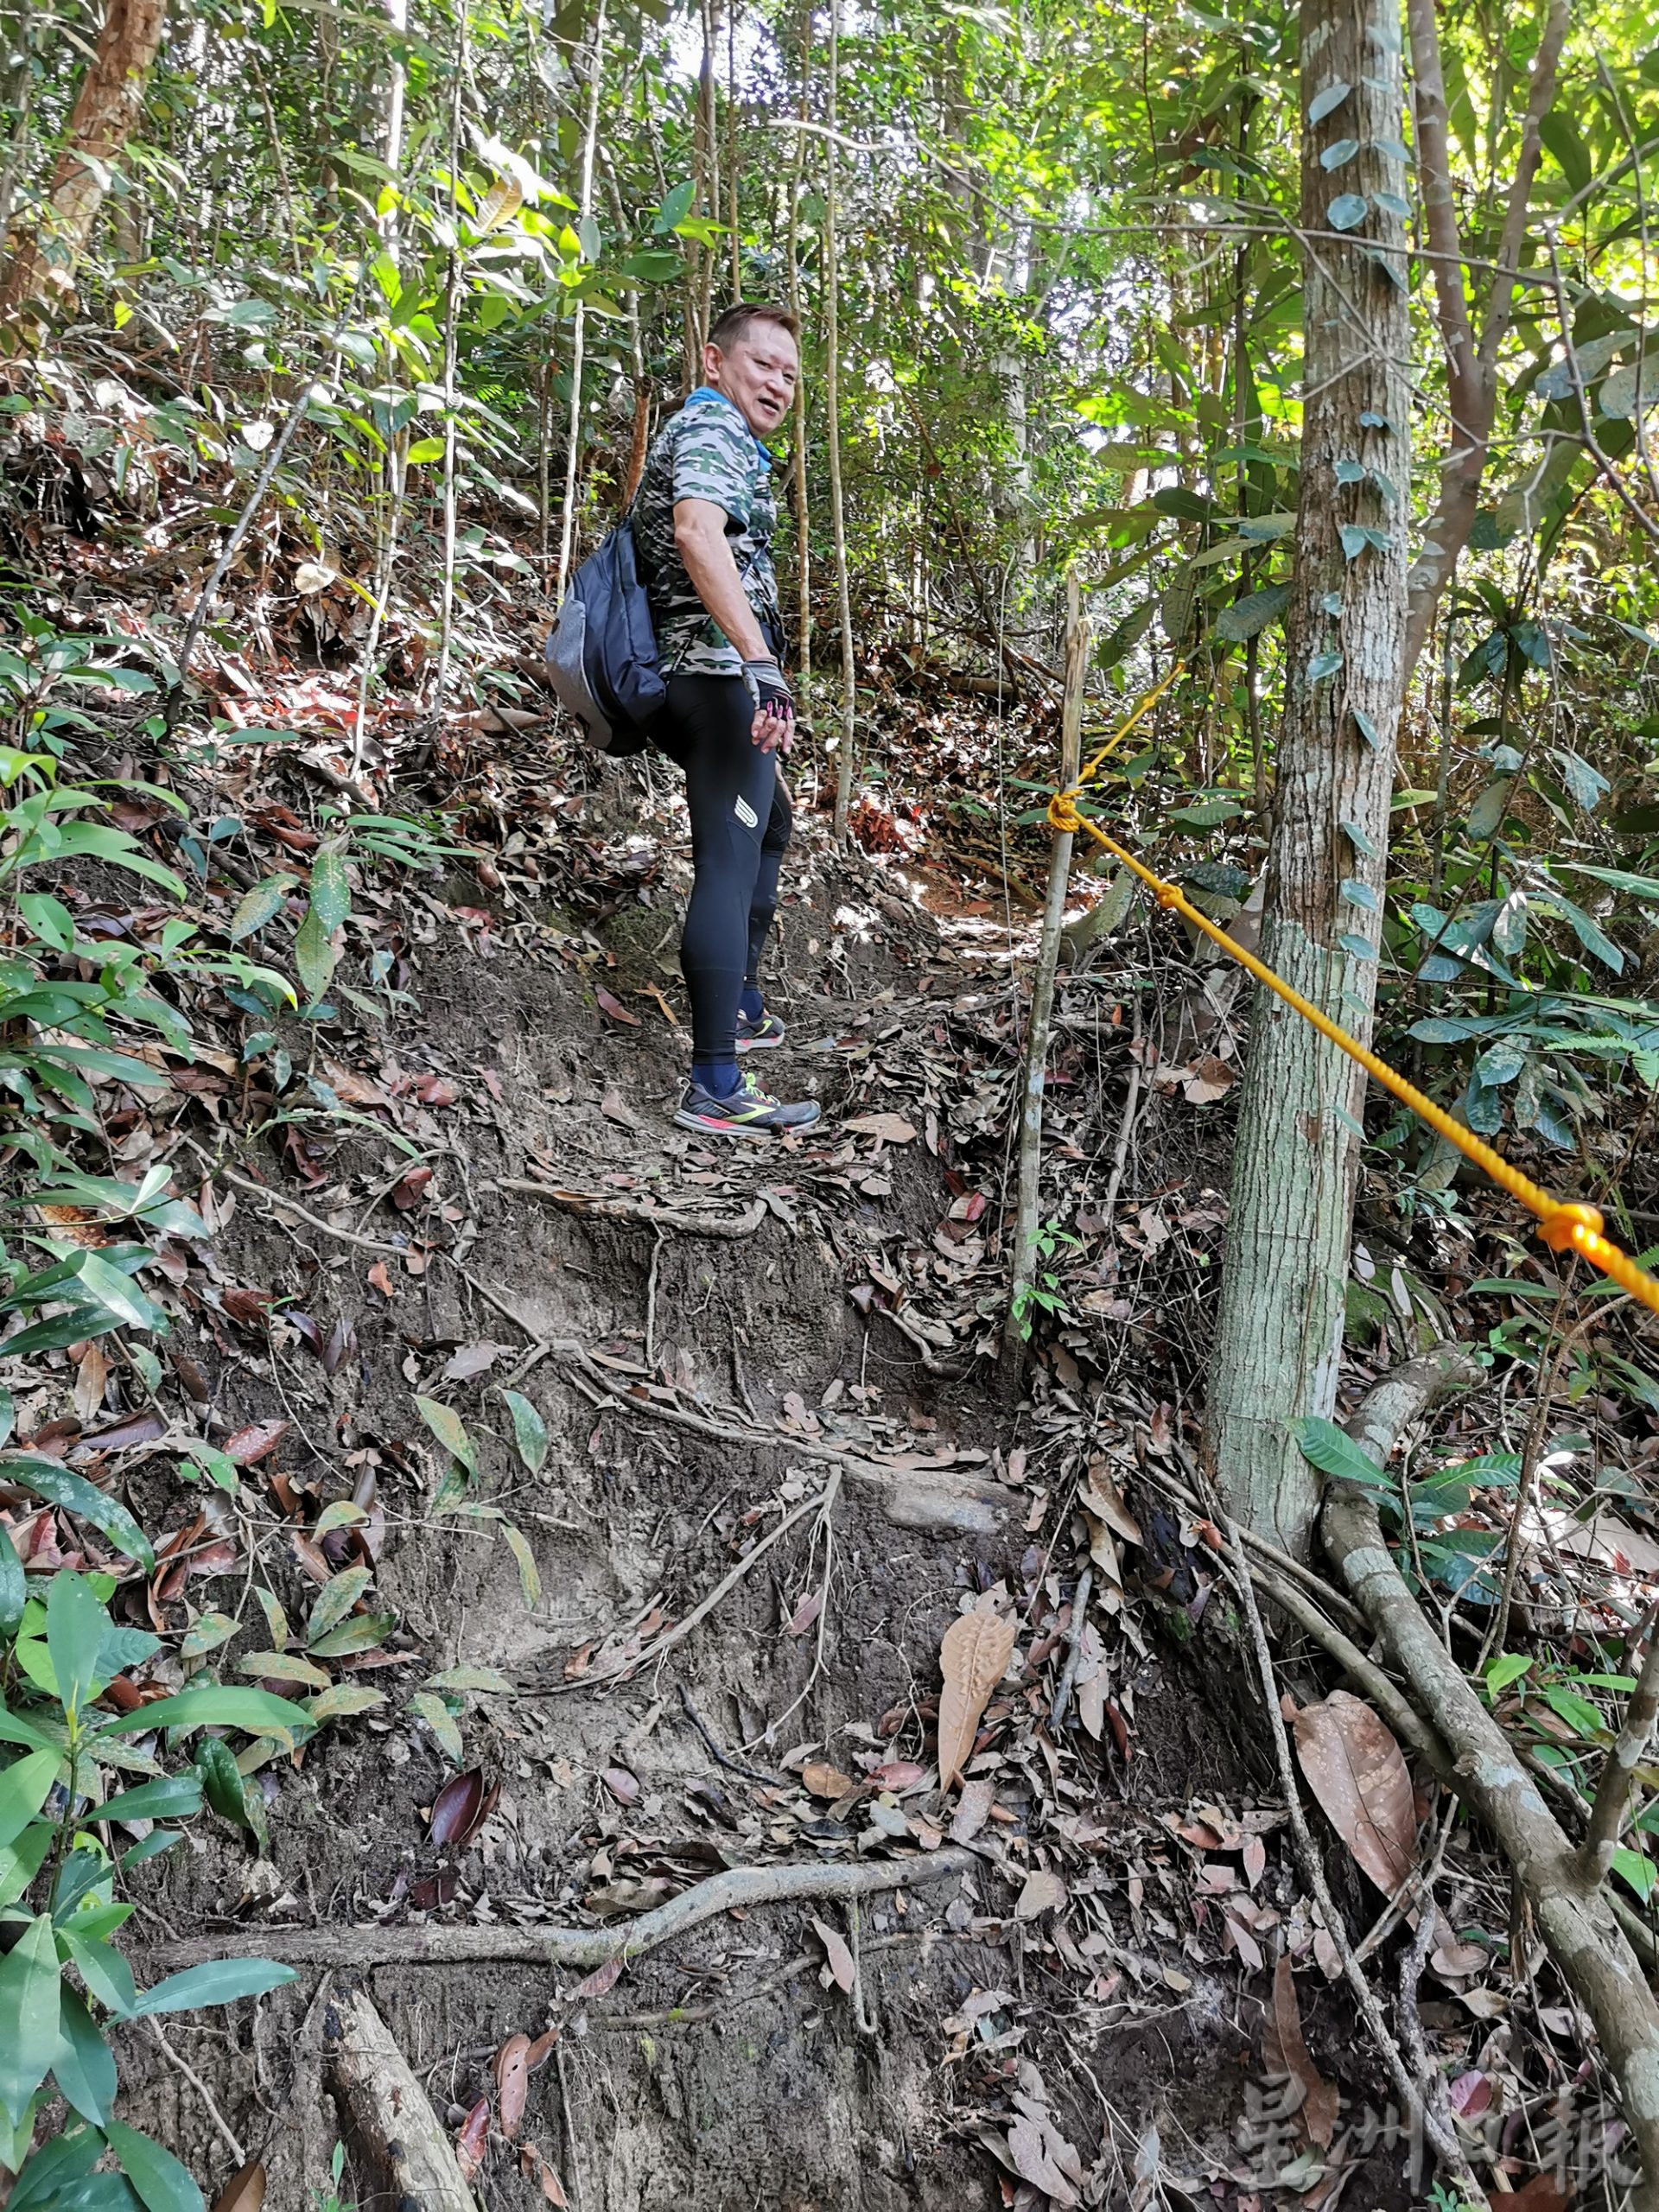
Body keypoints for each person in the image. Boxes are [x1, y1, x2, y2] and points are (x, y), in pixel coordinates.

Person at [629, 302, 823, 1138]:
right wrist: (760, 661)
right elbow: (698, 534)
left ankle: (739, 1003)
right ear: (715, 361)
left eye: (789, 373)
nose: (778, 383)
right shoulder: (712, 428)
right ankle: (714, 1080)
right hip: (711, 675)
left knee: (766, 821)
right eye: (762, 365)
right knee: (729, 855)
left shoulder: (717, 431)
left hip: (694, 673)